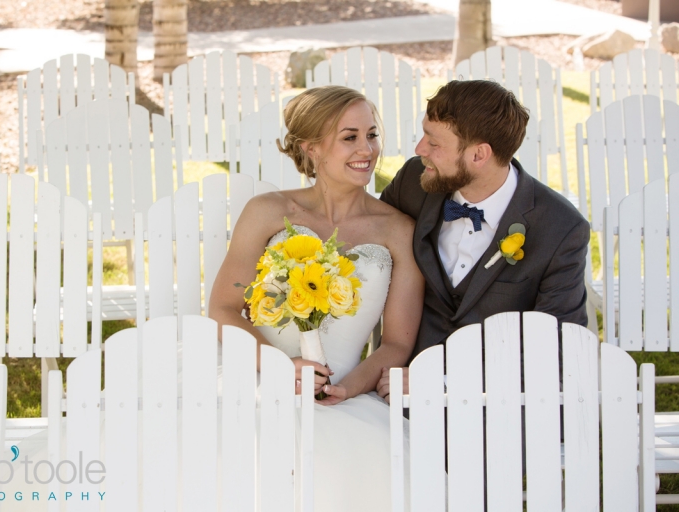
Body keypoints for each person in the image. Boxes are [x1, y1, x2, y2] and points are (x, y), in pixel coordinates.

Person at [209, 85, 425, 511]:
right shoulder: (268, 211)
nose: (368, 149)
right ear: (311, 148)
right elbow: (222, 308)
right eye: (350, 137)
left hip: (344, 397)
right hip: (255, 377)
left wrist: (347, 389)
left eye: (372, 134)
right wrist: (277, 367)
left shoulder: (399, 230)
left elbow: (397, 343)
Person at [376, 79, 589, 402]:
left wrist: (444, 380)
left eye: (434, 143)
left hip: (502, 404)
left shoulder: (560, 228)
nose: (420, 149)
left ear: (479, 155)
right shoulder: (413, 182)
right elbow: (365, 240)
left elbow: (556, 345)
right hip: (398, 395)